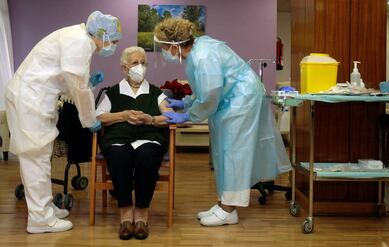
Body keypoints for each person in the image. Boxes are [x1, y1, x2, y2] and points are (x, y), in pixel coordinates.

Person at [154, 18, 292, 227]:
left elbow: (210, 95)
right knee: (222, 151)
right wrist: (185, 102)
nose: (164, 52)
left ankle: (229, 210)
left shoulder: (203, 56)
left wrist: (188, 115)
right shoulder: (198, 49)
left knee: (233, 153)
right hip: (231, 100)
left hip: (240, 101)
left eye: (164, 48)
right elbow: (203, 88)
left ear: (174, 45)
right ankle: (223, 203)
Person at [5, 10, 122, 234]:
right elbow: (77, 87)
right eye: (113, 41)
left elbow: (68, 79)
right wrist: (90, 119)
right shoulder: (79, 43)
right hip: (30, 101)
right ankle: (41, 220)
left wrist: (87, 82)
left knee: (41, 158)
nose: (112, 46)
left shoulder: (76, 36)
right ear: (103, 35)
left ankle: (45, 208)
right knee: (36, 159)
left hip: (32, 99)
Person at [96, 46, 172, 240]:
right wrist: (122, 115)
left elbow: (170, 116)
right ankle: (125, 215)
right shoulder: (112, 93)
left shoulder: (156, 92)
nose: (140, 67)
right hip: (118, 139)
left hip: (149, 137)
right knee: (120, 158)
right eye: (135, 63)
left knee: (147, 158)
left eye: (143, 63)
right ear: (124, 68)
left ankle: (141, 215)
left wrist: (151, 119)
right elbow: (99, 116)